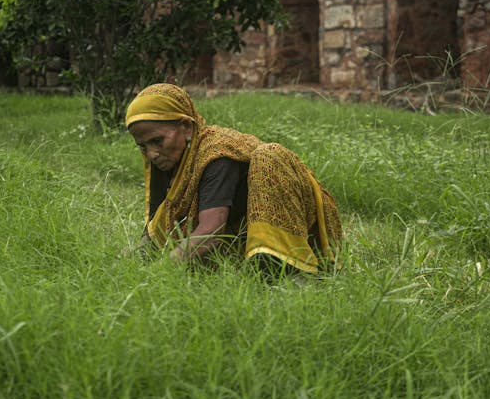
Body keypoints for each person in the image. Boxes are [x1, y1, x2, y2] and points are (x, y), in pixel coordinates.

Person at [125, 83, 342, 276]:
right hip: (242, 230)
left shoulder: (216, 154)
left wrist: (160, 271)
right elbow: (157, 227)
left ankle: (292, 270)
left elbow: (211, 230)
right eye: (143, 146)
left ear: (187, 127)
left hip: (298, 219)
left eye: (157, 141)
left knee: (269, 155)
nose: (152, 153)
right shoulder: (167, 158)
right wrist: (131, 267)